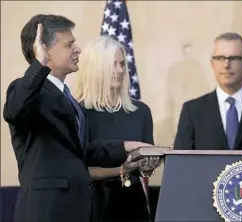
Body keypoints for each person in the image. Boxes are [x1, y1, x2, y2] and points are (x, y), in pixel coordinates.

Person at [3, 14, 151, 222]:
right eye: (69, 44)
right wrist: (38, 65)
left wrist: (126, 146)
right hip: (46, 213)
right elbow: (13, 110)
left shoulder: (67, 98)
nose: (78, 49)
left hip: (77, 210)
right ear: (45, 51)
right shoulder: (28, 92)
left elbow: (80, 151)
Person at [73, 35, 161, 222]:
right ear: (96, 69)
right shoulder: (78, 112)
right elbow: (79, 163)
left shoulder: (141, 111)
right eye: (113, 65)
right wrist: (122, 160)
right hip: (91, 205)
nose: (120, 70)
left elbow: (145, 167)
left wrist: (149, 163)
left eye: (122, 64)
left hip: (133, 205)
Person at [174, 32, 242, 150]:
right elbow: (180, 163)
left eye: (233, 58)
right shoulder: (192, 111)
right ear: (212, 63)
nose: (226, 65)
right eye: (220, 58)